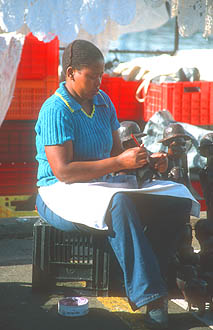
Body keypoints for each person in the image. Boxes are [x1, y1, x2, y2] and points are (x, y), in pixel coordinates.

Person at [35, 39, 199, 329]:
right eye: (92, 75)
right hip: (59, 192)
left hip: (99, 184)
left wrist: (147, 161)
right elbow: (64, 172)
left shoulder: (102, 101)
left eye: (101, 75)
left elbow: (114, 154)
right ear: (71, 72)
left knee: (178, 197)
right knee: (120, 204)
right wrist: (119, 164)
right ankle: (151, 295)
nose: (99, 81)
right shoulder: (56, 109)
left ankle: (156, 273)